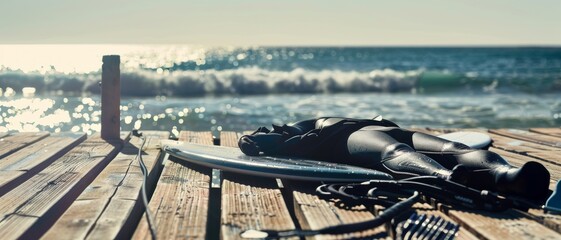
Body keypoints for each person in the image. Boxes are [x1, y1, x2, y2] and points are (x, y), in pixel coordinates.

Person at [238, 117, 550, 200]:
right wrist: (255, 140)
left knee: (455, 148)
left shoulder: (303, 127)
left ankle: (509, 175)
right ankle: (446, 179)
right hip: (353, 140)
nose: (272, 128)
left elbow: (260, 138)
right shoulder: (300, 138)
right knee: (397, 154)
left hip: (388, 128)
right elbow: (253, 143)